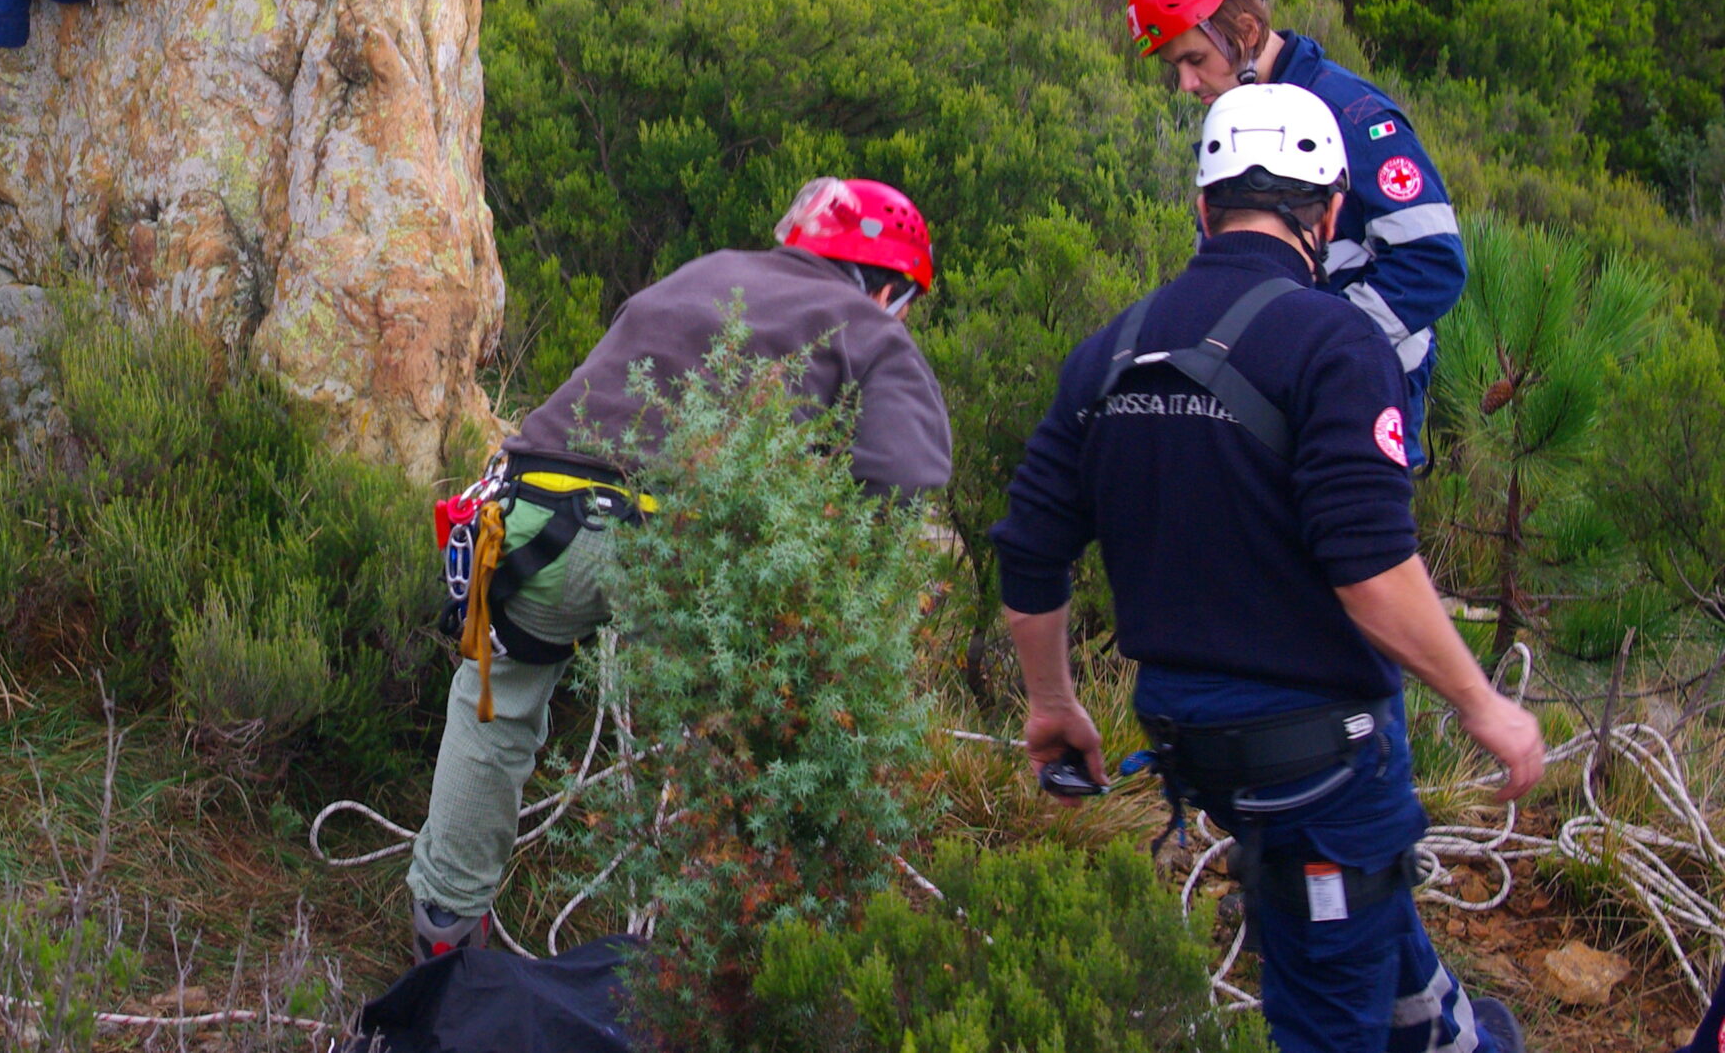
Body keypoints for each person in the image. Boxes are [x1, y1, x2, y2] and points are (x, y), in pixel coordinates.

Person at [990, 83, 1543, 1053]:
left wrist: (1053, 703)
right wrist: (1480, 702)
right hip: (1317, 752)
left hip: (1189, 737)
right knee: (1326, 1006)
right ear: (1330, 213)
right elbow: (1368, 565)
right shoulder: (1336, 343)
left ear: (1202, 210)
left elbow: (1030, 548)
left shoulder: (1108, 350)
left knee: (1361, 919)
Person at [406, 178, 955, 959]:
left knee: (495, 703)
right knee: (745, 740)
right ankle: (715, 966)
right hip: (676, 543)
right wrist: (850, 605)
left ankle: (443, 930)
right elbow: (907, 477)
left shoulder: (704, 272)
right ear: (890, 284)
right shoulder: (867, 324)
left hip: (530, 514)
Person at [1128, 0, 1465, 467]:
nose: (1186, 84)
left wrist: (1316, 344)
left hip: (1360, 410)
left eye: (1193, 60)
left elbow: (1435, 262)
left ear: (1245, 30)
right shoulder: (1230, 123)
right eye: (1175, 68)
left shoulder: (1354, 116)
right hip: (1263, 412)